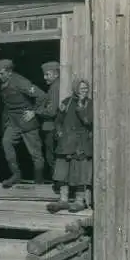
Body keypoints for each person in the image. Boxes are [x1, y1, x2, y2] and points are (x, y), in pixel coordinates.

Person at [0, 59, 47, 188]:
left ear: (9, 72)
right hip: (13, 122)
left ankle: (39, 181)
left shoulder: (20, 82)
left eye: (1, 73)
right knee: (6, 142)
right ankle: (16, 175)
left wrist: (34, 111)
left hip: (27, 121)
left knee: (35, 154)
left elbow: (42, 95)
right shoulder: (1, 83)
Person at [47, 78, 93, 214]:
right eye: (81, 88)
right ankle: (63, 200)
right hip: (66, 142)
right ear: (75, 89)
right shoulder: (66, 102)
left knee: (80, 172)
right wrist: (59, 132)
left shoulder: (89, 104)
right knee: (62, 172)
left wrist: (80, 106)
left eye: (85, 88)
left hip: (81, 143)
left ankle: (79, 201)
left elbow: (88, 121)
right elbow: (58, 121)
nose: (83, 91)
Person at [35, 61, 61, 181]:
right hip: (51, 128)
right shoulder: (53, 87)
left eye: (47, 74)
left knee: (51, 157)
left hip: (51, 128)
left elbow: (52, 112)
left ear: (56, 74)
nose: (44, 77)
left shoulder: (55, 88)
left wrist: (38, 110)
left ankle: (58, 186)